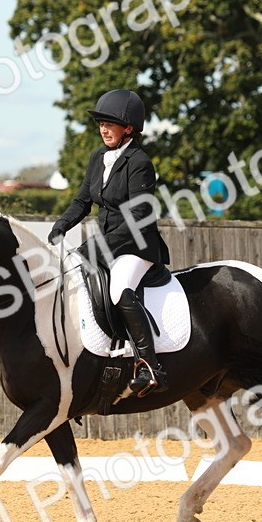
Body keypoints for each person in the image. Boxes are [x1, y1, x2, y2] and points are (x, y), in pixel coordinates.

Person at [48, 89, 171, 396]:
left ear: (128, 127)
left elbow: (138, 217)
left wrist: (97, 247)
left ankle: (150, 366)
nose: (103, 129)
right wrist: (61, 226)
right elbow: (82, 201)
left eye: (110, 123)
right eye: (101, 123)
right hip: (108, 243)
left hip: (136, 246)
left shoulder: (139, 162)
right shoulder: (98, 158)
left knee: (118, 289)